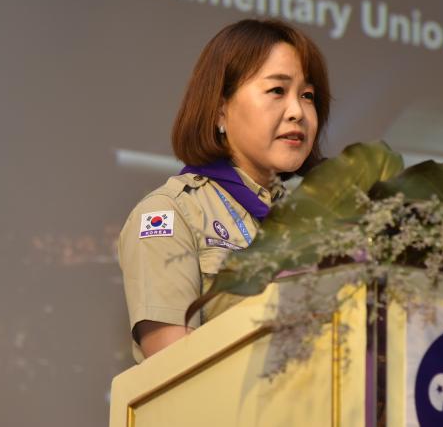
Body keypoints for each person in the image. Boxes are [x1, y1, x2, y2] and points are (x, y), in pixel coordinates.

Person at [118, 19, 331, 362]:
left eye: (307, 96)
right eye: (277, 91)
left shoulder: (320, 223)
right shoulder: (170, 214)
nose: (298, 112)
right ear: (220, 110)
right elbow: (176, 370)